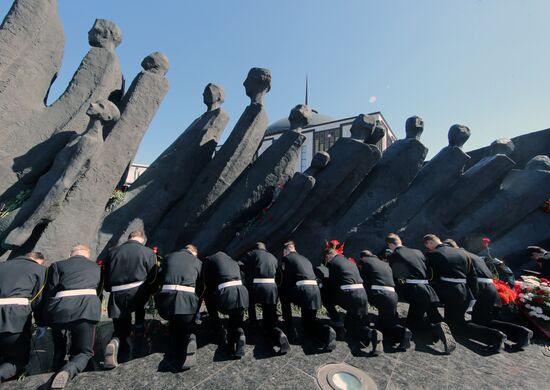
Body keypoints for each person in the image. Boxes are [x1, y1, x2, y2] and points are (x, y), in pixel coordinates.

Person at [446, 239, 532, 351]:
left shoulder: (458, 256)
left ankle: (495, 337)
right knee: (485, 320)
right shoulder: (472, 255)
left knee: (465, 323)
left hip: (479, 288)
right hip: (491, 288)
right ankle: (521, 333)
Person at [41, 245, 101, 389]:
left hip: (60, 310)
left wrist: (47, 314)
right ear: (87, 256)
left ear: (70, 254)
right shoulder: (96, 267)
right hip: (86, 309)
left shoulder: (57, 265)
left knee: (59, 339)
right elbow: (98, 290)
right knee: (85, 352)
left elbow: (50, 291)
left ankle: (56, 362)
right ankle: (69, 370)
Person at [385, 233, 455, 354]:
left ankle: (433, 329)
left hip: (413, 289)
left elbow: (396, 276)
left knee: (413, 322)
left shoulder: (395, 255)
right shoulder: (418, 252)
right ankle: (436, 327)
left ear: (390, 244)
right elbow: (429, 271)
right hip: (427, 288)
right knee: (428, 314)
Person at [103, 230, 158, 369]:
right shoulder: (147, 252)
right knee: (139, 317)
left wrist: (110, 289)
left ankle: (115, 342)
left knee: (121, 327)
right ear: (142, 240)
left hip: (117, 293)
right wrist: (151, 290)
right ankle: (139, 345)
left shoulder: (112, 252)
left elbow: (106, 275)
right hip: (138, 292)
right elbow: (153, 276)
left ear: (129, 238)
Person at [280, 241, 336, 351]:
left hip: (302, 290)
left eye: (283, 253)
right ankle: (327, 332)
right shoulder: (305, 259)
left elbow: (286, 280)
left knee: (283, 293)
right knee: (308, 322)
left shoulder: (287, 259)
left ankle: (289, 326)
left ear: (286, 251)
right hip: (315, 291)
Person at [154, 244, 202, 370]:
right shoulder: (197, 261)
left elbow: (159, 278)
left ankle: (176, 343)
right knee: (186, 325)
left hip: (165, 305)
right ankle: (190, 338)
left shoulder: (168, 257)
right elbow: (201, 286)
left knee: (174, 324)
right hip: (186, 304)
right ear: (193, 252)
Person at [323, 248, 380, 353]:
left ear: (328, 257)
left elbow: (332, 284)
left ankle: (336, 320)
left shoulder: (332, 263)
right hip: (362, 293)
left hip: (348, 294)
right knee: (354, 322)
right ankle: (371, 333)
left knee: (326, 298)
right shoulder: (350, 262)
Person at [0, 252, 46, 382]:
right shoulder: (40, 269)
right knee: (17, 359)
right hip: (15, 319)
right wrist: (40, 322)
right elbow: (38, 299)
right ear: (39, 261)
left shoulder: (2, 265)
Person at [357, 250, 412, 351]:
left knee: (388, 322)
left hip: (379, 293)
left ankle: (402, 332)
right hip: (392, 294)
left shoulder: (364, 262)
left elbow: (361, 278)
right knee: (386, 318)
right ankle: (385, 336)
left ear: (362, 257)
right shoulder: (385, 264)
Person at [242, 242, 290, 354]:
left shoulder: (252, 254)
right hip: (272, 287)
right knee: (270, 315)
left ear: (256, 248)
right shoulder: (273, 257)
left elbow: (243, 268)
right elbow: (279, 274)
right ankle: (279, 333)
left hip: (256, 286)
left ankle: (253, 322)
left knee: (251, 303)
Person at [203, 251, 249, 358]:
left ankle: (217, 327)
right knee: (235, 317)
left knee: (208, 297)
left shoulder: (209, 260)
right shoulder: (233, 261)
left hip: (227, 294)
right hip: (243, 294)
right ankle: (240, 334)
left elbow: (208, 283)